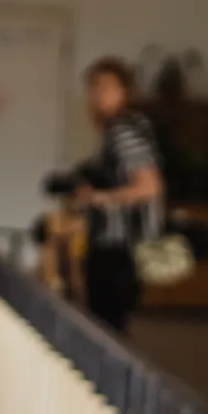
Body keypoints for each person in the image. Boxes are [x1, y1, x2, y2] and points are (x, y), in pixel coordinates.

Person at [73, 55, 164, 333]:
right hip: (116, 244)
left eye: (108, 87)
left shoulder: (124, 131)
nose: (99, 95)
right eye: (94, 87)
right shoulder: (126, 127)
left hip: (118, 246)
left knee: (107, 330)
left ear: (126, 91)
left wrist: (98, 198)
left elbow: (149, 186)